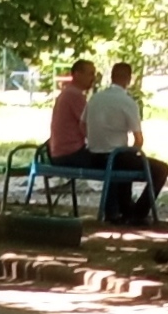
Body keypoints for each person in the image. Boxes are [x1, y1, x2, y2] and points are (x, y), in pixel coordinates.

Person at [83, 62, 166, 225]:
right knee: (160, 169)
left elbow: (82, 124)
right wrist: (133, 151)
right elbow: (139, 139)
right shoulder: (127, 102)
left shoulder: (95, 98)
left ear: (111, 76)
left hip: (93, 157)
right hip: (115, 157)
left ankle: (126, 210)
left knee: (126, 160)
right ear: (129, 79)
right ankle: (138, 213)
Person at [49, 59, 97, 169]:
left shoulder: (68, 92)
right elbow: (88, 126)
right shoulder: (74, 95)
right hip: (70, 154)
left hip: (61, 152)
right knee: (114, 162)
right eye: (90, 74)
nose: (93, 78)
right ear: (77, 74)